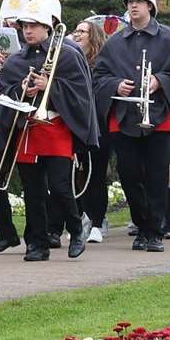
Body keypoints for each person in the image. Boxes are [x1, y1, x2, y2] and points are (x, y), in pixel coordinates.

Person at [92, 0, 170, 253]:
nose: (133, 6)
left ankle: (155, 231)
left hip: (159, 118)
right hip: (125, 117)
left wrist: (160, 81)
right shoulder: (115, 42)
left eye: (138, 1)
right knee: (128, 175)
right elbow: (98, 77)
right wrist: (115, 85)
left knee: (156, 176)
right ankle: (142, 224)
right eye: (129, 2)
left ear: (150, 5)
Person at [0, 0, 98, 260]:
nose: (28, 30)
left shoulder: (69, 54)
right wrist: (21, 89)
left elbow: (81, 94)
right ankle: (37, 243)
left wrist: (49, 88)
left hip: (57, 127)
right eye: (24, 26)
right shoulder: (15, 60)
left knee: (61, 187)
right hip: (29, 131)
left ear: (48, 26)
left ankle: (75, 230)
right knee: (33, 191)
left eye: (34, 25)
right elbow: (2, 93)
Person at [71, 17, 112, 243]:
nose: (77, 35)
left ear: (93, 37)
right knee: (76, 176)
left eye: (82, 32)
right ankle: (80, 220)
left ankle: (97, 221)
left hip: (98, 125)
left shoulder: (101, 64)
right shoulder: (69, 59)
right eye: (75, 31)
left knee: (96, 174)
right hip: (75, 125)